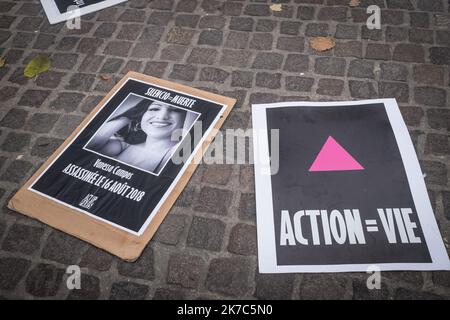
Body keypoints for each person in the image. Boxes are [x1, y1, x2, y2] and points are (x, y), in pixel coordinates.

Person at [87, 98, 187, 173]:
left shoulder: (178, 152)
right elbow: (89, 145)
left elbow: (198, 123)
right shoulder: (123, 147)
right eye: (154, 108)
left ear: (185, 120)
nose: (162, 116)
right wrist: (128, 117)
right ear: (141, 116)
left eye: (176, 110)